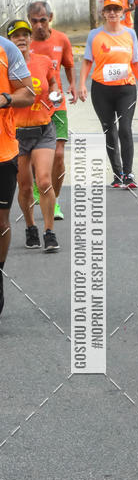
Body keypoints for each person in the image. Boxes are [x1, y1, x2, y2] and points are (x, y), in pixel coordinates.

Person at [78, 0, 138, 189]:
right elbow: (87, 61)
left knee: (125, 128)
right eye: (108, 9)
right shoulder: (94, 35)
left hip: (126, 89)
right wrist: (81, 84)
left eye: (116, 9)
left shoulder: (130, 34)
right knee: (109, 130)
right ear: (103, 13)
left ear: (122, 12)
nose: (112, 13)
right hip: (102, 90)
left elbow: (135, 62)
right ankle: (118, 175)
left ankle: (129, 173)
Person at [7, 20, 60, 253]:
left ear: (30, 39)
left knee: (45, 181)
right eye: (16, 35)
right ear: (9, 41)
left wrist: (55, 94)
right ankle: (30, 226)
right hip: (16, 134)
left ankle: (49, 232)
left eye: (25, 35)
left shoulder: (44, 61)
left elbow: (53, 83)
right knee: (25, 187)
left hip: (43, 130)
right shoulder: (5, 66)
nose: (21, 38)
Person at [28, 0, 76, 221]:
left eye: (43, 20)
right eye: (34, 21)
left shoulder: (61, 39)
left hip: (56, 106)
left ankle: (53, 199)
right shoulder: (24, 43)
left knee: (58, 154)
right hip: (31, 108)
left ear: (51, 18)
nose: (39, 25)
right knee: (32, 157)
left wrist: (73, 85)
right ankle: (39, 186)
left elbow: (69, 65)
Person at [0, 33, 35, 314]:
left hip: (3, 151)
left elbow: (28, 94)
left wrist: (6, 98)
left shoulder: (7, 49)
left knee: (0, 222)